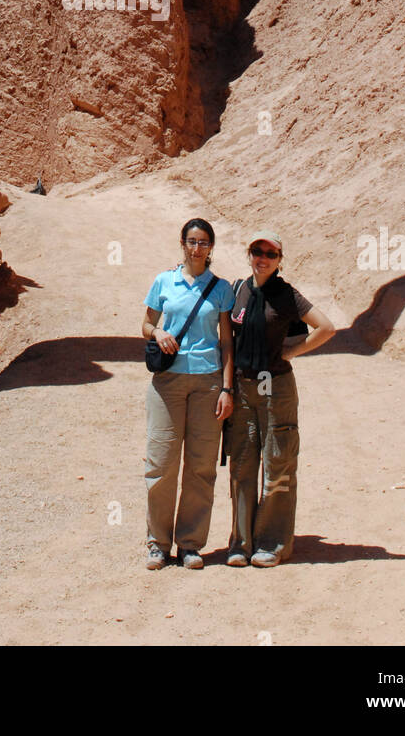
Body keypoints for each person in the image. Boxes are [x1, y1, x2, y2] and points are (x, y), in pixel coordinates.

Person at [225, 229, 334, 567]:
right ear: (249, 254)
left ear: (279, 260)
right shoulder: (238, 290)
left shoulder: (286, 295)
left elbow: (326, 328)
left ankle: (272, 543)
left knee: (277, 463)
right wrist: (226, 387)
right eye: (258, 251)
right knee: (242, 464)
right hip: (243, 388)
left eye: (270, 254)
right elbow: (227, 339)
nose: (263, 258)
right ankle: (240, 543)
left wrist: (294, 352)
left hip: (275, 387)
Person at [141, 218, 235, 569]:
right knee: (162, 463)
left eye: (203, 242)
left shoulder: (222, 288)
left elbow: (226, 341)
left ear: (211, 247)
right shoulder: (165, 281)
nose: (197, 248)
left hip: (209, 383)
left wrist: (227, 388)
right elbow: (146, 323)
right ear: (183, 243)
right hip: (168, 383)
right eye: (192, 241)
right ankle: (158, 544)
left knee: (200, 465)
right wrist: (158, 334)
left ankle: (191, 544)